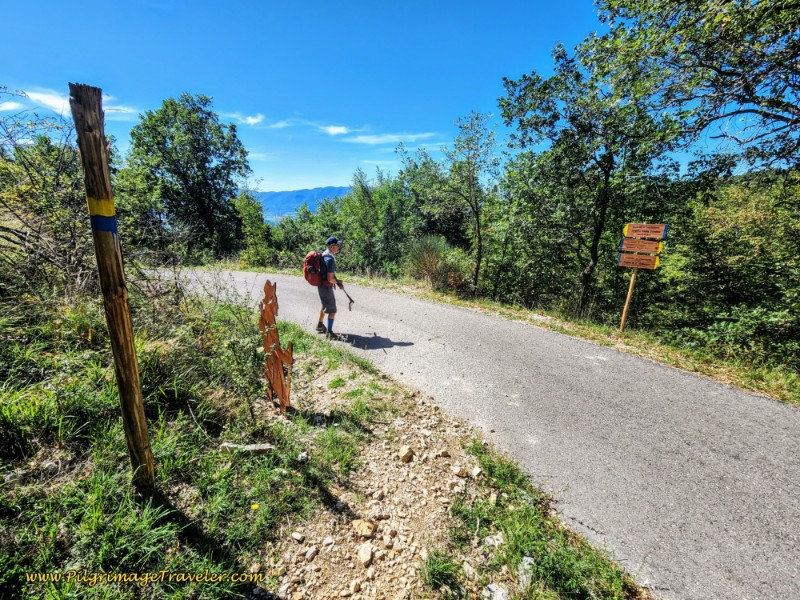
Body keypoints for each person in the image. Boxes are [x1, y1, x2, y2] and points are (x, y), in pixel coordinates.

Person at [316, 236, 345, 339]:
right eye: (337, 245)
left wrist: (337, 282)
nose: (338, 247)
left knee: (325, 305)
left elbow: (329, 275)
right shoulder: (330, 259)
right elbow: (330, 278)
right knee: (332, 310)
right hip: (326, 287)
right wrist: (337, 281)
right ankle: (329, 333)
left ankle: (320, 325)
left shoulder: (324, 255)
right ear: (332, 246)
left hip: (321, 285)